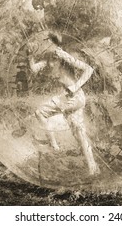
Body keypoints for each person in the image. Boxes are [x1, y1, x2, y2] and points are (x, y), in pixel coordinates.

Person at [28, 32, 99, 176]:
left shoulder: (61, 54)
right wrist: (29, 56)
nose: (41, 43)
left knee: (77, 131)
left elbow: (88, 69)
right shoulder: (48, 58)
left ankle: (91, 166)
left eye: (44, 40)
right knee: (76, 131)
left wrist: (75, 86)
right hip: (64, 97)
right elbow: (34, 69)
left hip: (74, 96)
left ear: (51, 41)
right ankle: (55, 146)